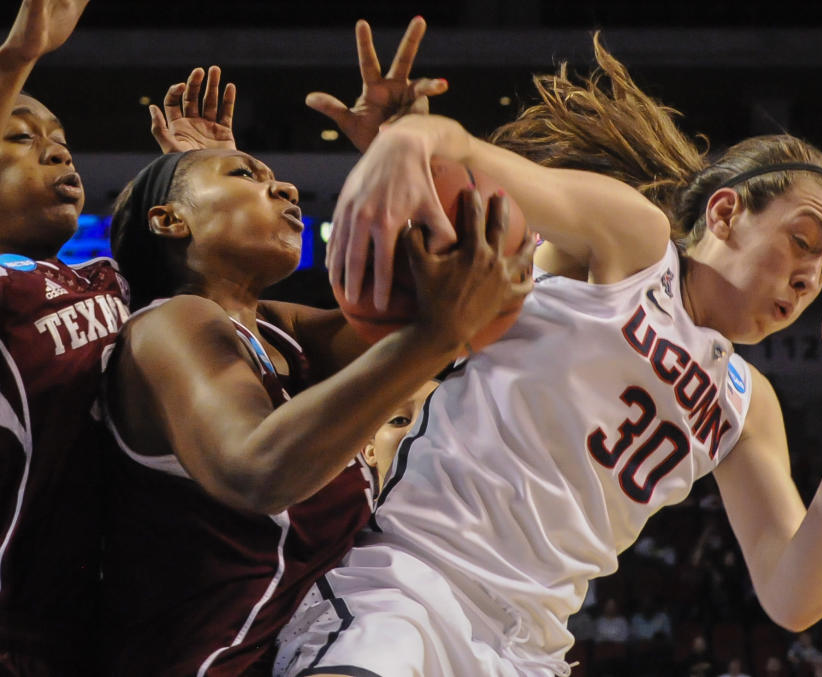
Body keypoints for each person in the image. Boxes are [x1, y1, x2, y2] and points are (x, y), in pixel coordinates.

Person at [278, 35, 822, 676]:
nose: (810, 277)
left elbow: (793, 598)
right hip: (411, 580)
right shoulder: (634, 244)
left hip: (530, 648)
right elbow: (470, 157)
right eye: (802, 242)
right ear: (726, 212)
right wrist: (409, 134)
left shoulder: (747, 403)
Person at [98, 23, 532, 677]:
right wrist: (435, 336)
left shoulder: (276, 329)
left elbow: (443, 299)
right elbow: (258, 469)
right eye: (246, 174)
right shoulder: (168, 325)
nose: (288, 189)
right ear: (169, 221)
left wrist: (408, 156)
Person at [0, 2, 130, 675]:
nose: (55, 147)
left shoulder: (110, 281)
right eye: (19, 138)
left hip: (107, 630)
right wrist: (18, 58)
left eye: (59, 136)